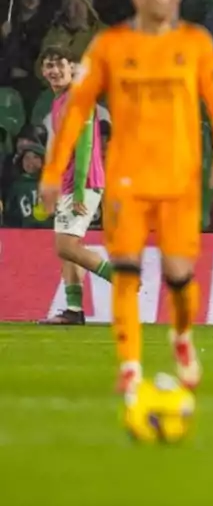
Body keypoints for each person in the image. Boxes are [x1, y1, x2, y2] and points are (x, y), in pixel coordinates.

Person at [39, 0, 213, 393]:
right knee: (126, 270)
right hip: (127, 177)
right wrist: (53, 171)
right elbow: (76, 111)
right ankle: (129, 365)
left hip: (179, 176)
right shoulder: (111, 46)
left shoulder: (196, 41)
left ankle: (182, 339)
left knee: (179, 272)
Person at [36, 46, 113, 326]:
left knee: (66, 247)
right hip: (68, 182)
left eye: (59, 65)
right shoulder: (60, 101)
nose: (53, 71)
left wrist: (79, 187)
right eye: (48, 65)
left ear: (72, 68)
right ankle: (73, 310)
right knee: (69, 245)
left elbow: (85, 145)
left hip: (83, 181)